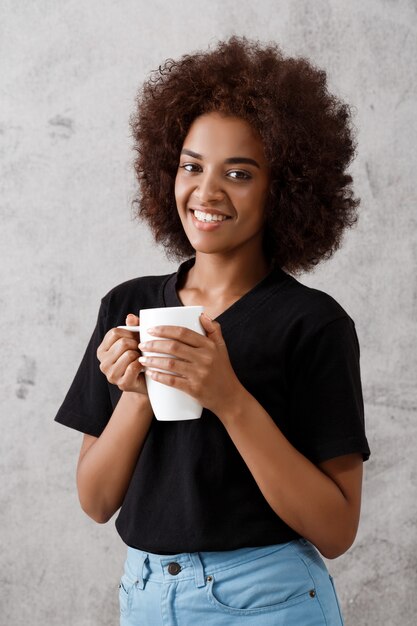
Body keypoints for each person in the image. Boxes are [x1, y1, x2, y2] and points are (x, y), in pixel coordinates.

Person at [55, 36, 370, 625]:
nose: (206, 191)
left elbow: (336, 528)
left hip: (267, 600)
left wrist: (228, 398)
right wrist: (135, 395)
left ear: (286, 188)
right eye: (192, 166)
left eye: (239, 173)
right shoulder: (128, 306)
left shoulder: (314, 324)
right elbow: (96, 502)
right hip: (145, 595)